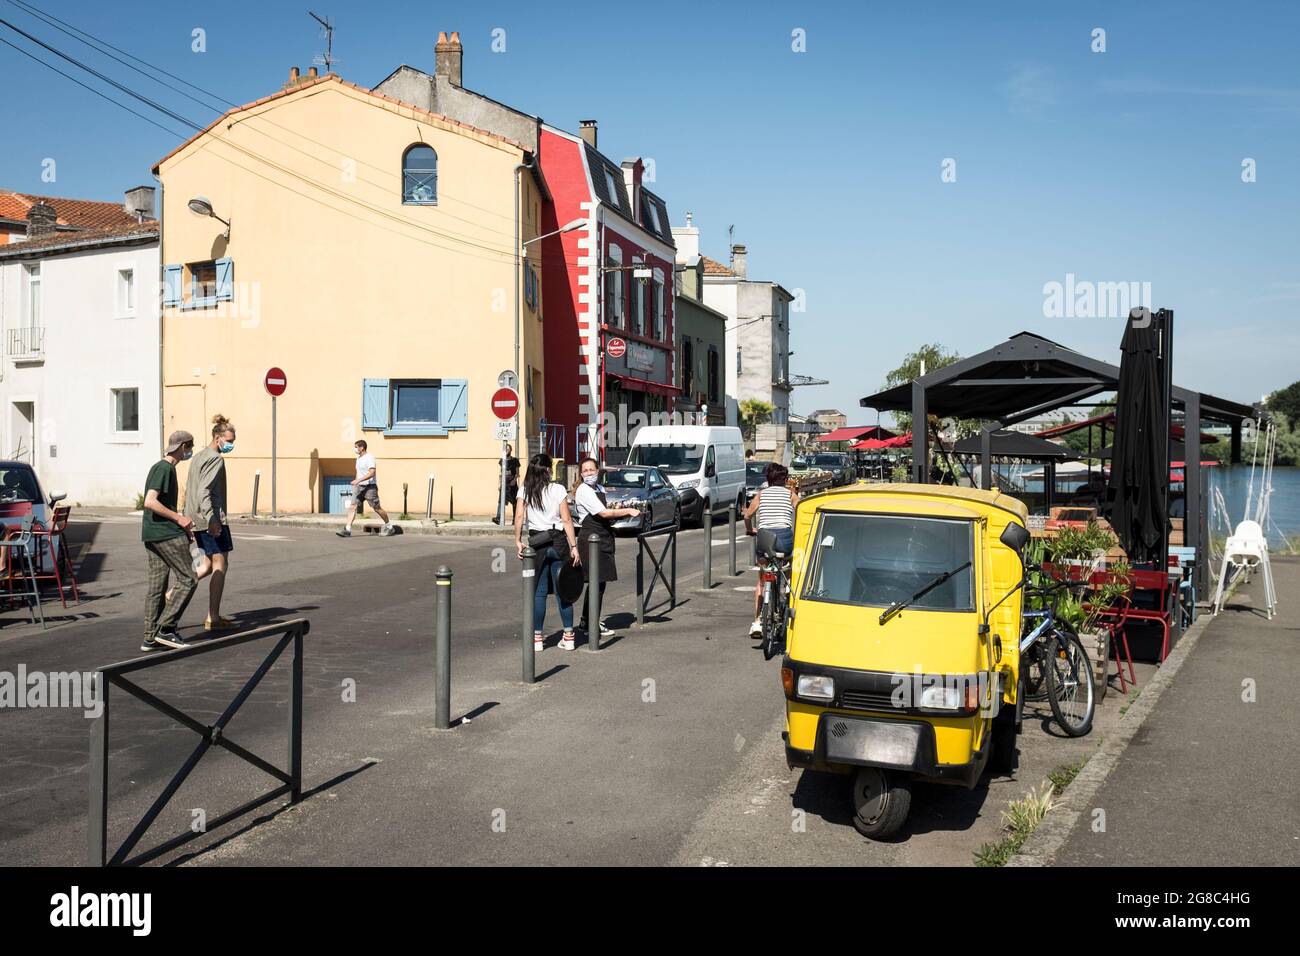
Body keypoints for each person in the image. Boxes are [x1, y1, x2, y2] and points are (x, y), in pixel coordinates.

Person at [141, 431, 210, 651]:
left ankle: (150, 637)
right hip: (165, 533)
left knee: (157, 585)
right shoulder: (165, 468)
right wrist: (179, 519)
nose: (189, 452)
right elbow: (150, 502)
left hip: (153, 534)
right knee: (188, 578)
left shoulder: (160, 467)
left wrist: (182, 524)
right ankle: (166, 629)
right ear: (182, 447)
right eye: (189, 447)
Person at [514, 453, 581, 651]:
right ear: (548, 470)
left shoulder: (524, 490)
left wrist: (517, 541)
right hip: (558, 541)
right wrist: (574, 546)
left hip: (537, 542)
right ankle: (569, 636)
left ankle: (537, 639)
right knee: (564, 590)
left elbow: (519, 516)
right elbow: (567, 519)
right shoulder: (558, 489)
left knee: (539, 593)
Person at [571, 456, 640, 640]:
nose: (588, 473)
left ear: (597, 470)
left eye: (591, 470)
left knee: (599, 583)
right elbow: (602, 512)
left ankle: (587, 620)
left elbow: (607, 513)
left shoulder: (599, 488)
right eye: (585, 471)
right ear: (581, 474)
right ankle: (591, 622)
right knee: (596, 582)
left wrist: (622, 512)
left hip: (604, 537)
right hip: (591, 539)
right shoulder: (584, 491)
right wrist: (627, 511)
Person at [186, 413, 237, 631]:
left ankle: (172, 594)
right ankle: (213, 617)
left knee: (205, 564)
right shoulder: (216, 459)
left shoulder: (198, 456)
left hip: (195, 519)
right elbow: (203, 491)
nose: (232, 445)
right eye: (230, 441)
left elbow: (190, 490)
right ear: (218, 438)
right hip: (212, 520)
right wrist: (212, 519)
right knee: (220, 565)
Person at [742, 462, 799, 638]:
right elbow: (802, 510)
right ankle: (787, 591)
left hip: (765, 538)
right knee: (786, 566)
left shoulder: (761, 494)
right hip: (784, 538)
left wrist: (751, 529)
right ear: (785, 480)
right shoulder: (791, 494)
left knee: (761, 578)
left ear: (768, 479)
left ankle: (758, 621)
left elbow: (747, 515)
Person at [337, 440, 395, 537]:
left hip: (370, 487)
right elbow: (358, 472)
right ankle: (347, 529)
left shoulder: (369, 457)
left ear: (362, 447)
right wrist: (356, 482)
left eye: (356, 447)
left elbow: (372, 473)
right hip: (359, 487)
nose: (355, 449)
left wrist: (358, 480)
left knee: (377, 508)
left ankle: (389, 526)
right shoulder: (358, 459)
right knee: (352, 506)